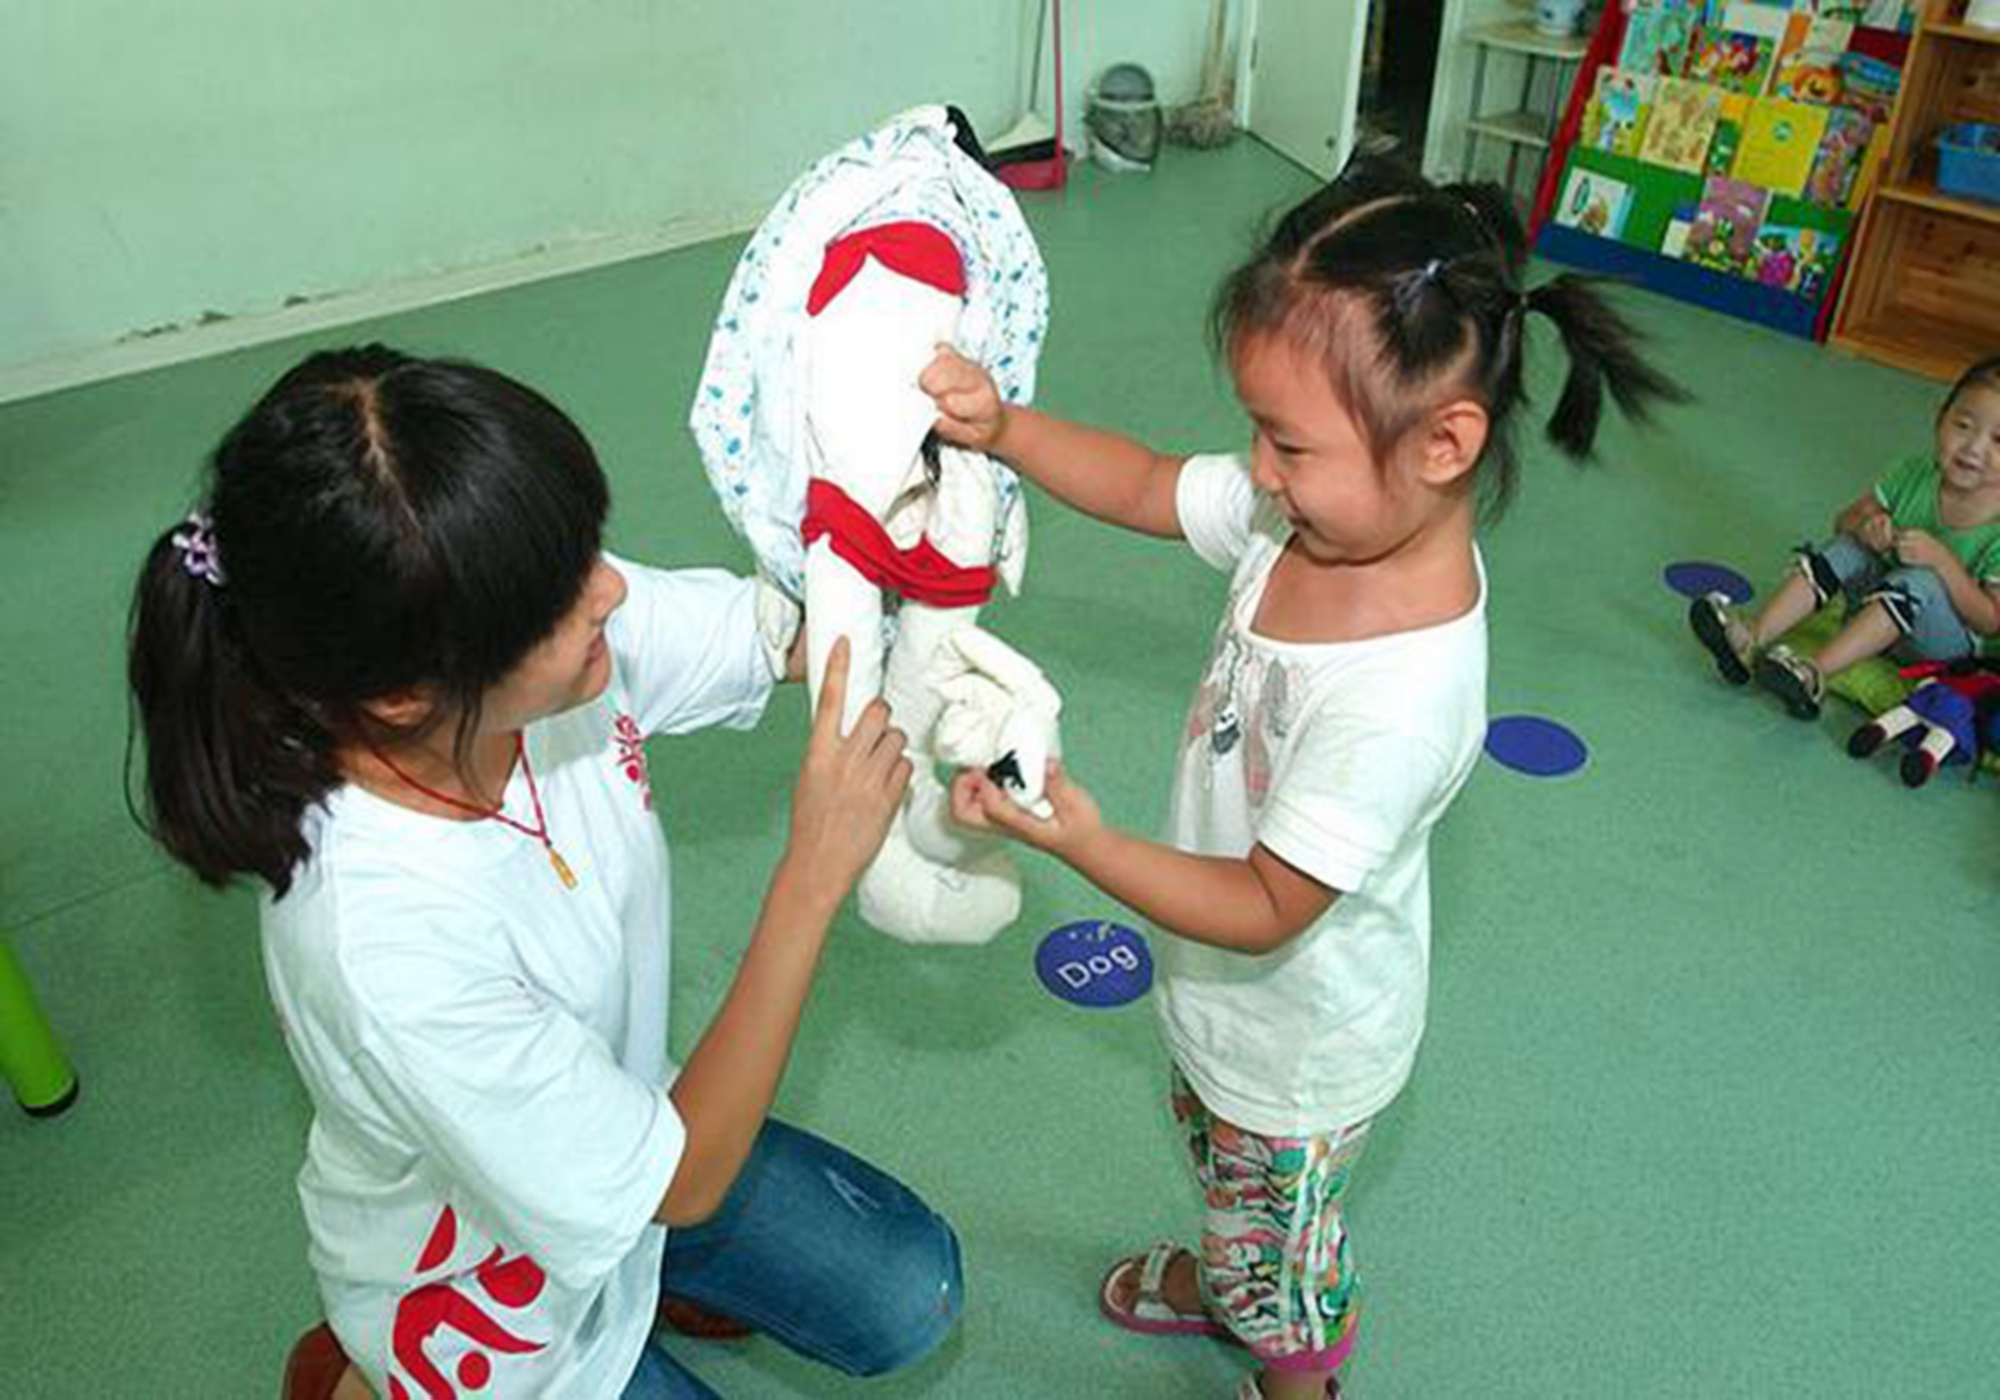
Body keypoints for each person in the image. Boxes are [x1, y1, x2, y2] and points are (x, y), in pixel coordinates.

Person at [921, 158, 1682, 1400]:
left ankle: (1288, 1369)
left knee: (1288, 1268)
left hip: (1300, 1047)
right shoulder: (1307, 517)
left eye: (1285, 442)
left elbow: (1272, 903)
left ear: (1443, 442)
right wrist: (1003, 427)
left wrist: (1080, 840)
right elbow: (1147, 482)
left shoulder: (1395, 694)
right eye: (1256, 432)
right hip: (1225, 998)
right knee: (1225, 1176)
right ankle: (1229, 1271)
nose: (1258, 470)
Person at [126, 346, 960, 1400]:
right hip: (483, 1302)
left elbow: (777, 635)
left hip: (617, 1125)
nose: (609, 588)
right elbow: (691, 1176)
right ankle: (356, 1374)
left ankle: (645, 1258)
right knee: (681, 1203)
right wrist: (812, 873)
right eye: (558, 591)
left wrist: (898, 558)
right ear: (401, 691)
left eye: (583, 551)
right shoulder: (381, 942)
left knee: (912, 1291)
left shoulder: (540, 634)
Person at [1690, 355, 2000, 719]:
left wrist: (1942, 562)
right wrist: (1868, 524)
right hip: (1874, 612)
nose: (1974, 448)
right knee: (1850, 546)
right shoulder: (1912, 472)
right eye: (1963, 425)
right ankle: (1750, 638)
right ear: (1939, 418)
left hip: (1944, 647)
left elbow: (1990, 621)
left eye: (1999, 440)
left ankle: (1813, 674)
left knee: (1921, 580)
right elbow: (1843, 522)